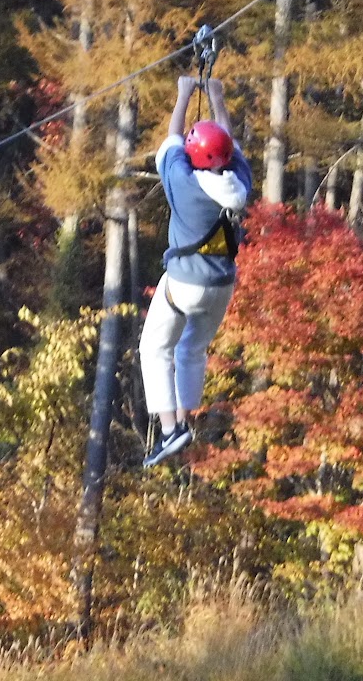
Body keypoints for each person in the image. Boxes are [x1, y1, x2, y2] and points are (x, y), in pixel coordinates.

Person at [140, 75, 252, 467]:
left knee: (154, 348)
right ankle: (185, 419)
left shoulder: (184, 184)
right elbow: (230, 144)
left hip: (185, 283)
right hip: (221, 285)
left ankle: (170, 429)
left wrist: (184, 93)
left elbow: (171, 141)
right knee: (191, 349)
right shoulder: (239, 181)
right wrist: (219, 98)